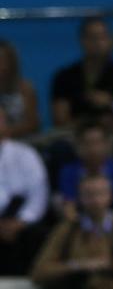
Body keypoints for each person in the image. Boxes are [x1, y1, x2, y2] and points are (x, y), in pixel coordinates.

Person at [31, 173, 113, 289]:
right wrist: (78, 266)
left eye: (100, 193)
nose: (96, 200)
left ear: (110, 196)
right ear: (80, 198)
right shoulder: (67, 231)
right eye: (89, 195)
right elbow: (39, 273)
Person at [50, 17, 113, 127]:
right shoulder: (64, 77)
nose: (98, 42)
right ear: (82, 40)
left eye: (102, 37)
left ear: (109, 40)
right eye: (93, 37)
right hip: (75, 136)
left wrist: (111, 103)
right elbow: (60, 120)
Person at [0, 107, 49, 276]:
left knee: (36, 234)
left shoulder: (25, 154)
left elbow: (39, 195)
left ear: (6, 124)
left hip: (20, 219)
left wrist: (21, 221)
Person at [58, 121, 113, 225]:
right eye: (87, 143)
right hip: (82, 221)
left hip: (112, 221)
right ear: (78, 145)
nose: (93, 149)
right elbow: (69, 208)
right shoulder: (69, 172)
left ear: (107, 144)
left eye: (98, 142)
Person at [0, 38, 40, 138]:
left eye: (3, 60)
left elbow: (33, 124)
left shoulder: (26, 88)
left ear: (12, 62)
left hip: (23, 141)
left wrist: (6, 132)